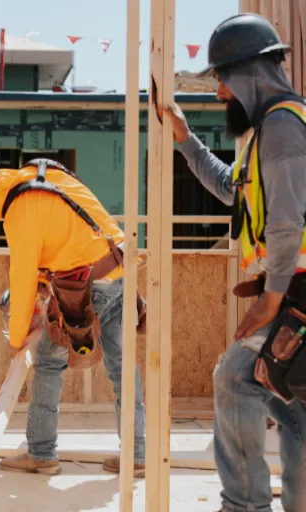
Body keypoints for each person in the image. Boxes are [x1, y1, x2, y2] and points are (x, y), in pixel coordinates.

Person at [162, 13, 306, 512]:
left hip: (296, 293)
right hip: (292, 288)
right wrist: (184, 139)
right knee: (295, 403)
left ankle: (244, 505)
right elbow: (231, 188)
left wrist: (270, 301)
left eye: (221, 78)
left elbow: (287, 223)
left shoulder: (284, 125)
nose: (219, 92)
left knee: (236, 377)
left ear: (248, 72)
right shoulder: (267, 130)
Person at [0, 155, 146, 477]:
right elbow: (61, 235)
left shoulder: (18, 213)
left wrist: (18, 340)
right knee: (122, 367)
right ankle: (137, 455)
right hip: (120, 267)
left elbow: (21, 281)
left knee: (49, 363)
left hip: (87, 285)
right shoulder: (38, 175)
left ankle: (41, 453)